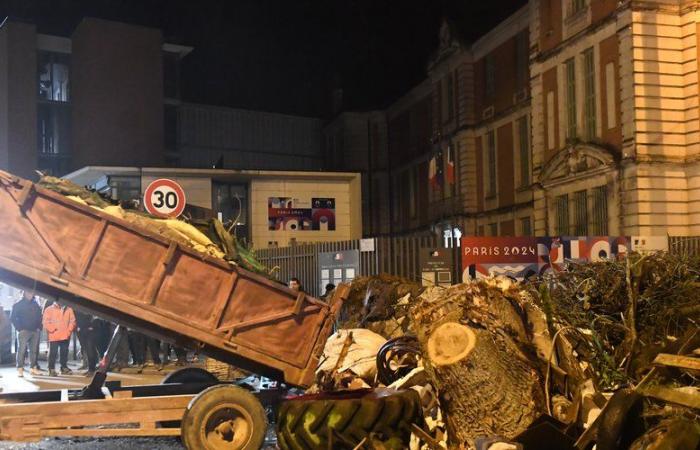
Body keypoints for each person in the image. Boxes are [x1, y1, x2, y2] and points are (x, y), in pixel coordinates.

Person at [10, 289, 43, 377]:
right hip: (23, 331)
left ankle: (33, 368)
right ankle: (20, 369)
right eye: (28, 292)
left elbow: (40, 316)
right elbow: (12, 318)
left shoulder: (36, 304)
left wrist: (39, 327)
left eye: (32, 293)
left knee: (33, 351)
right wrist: (19, 328)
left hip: (35, 331)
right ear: (24, 293)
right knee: (21, 350)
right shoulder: (18, 304)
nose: (30, 294)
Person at [42, 300, 76, 376]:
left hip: (65, 335)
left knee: (64, 352)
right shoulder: (49, 309)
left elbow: (72, 321)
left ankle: (63, 367)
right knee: (53, 353)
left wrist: (68, 331)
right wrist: (52, 329)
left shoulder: (69, 309)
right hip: (54, 335)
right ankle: (51, 369)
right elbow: (45, 322)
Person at [75, 311, 99, 375]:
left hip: (90, 331)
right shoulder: (77, 308)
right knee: (87, 350)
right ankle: (90, 368)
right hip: (82, 331)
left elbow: (96, 317)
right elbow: (75, 318)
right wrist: (77, 327)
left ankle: (92, 369)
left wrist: (93, 326)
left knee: (90, 350)